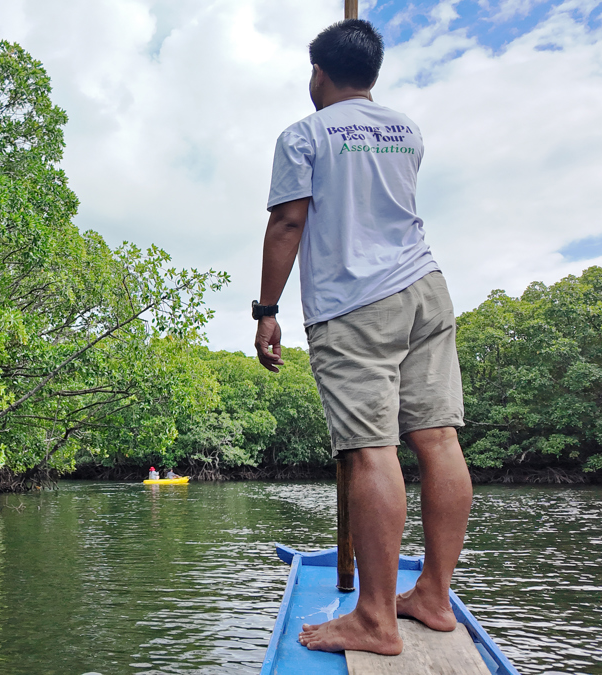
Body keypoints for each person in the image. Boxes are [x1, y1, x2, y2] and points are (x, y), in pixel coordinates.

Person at [253, 19, 473, 657]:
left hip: (355, 305)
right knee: (438, 439)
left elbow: (288, 222)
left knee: (371, 451)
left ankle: (376, 618)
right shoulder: (408, 130)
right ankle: (433, 596)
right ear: (372, 74)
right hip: (427, 289)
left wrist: (267, 310)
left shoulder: (304, 134)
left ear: (318, 73)